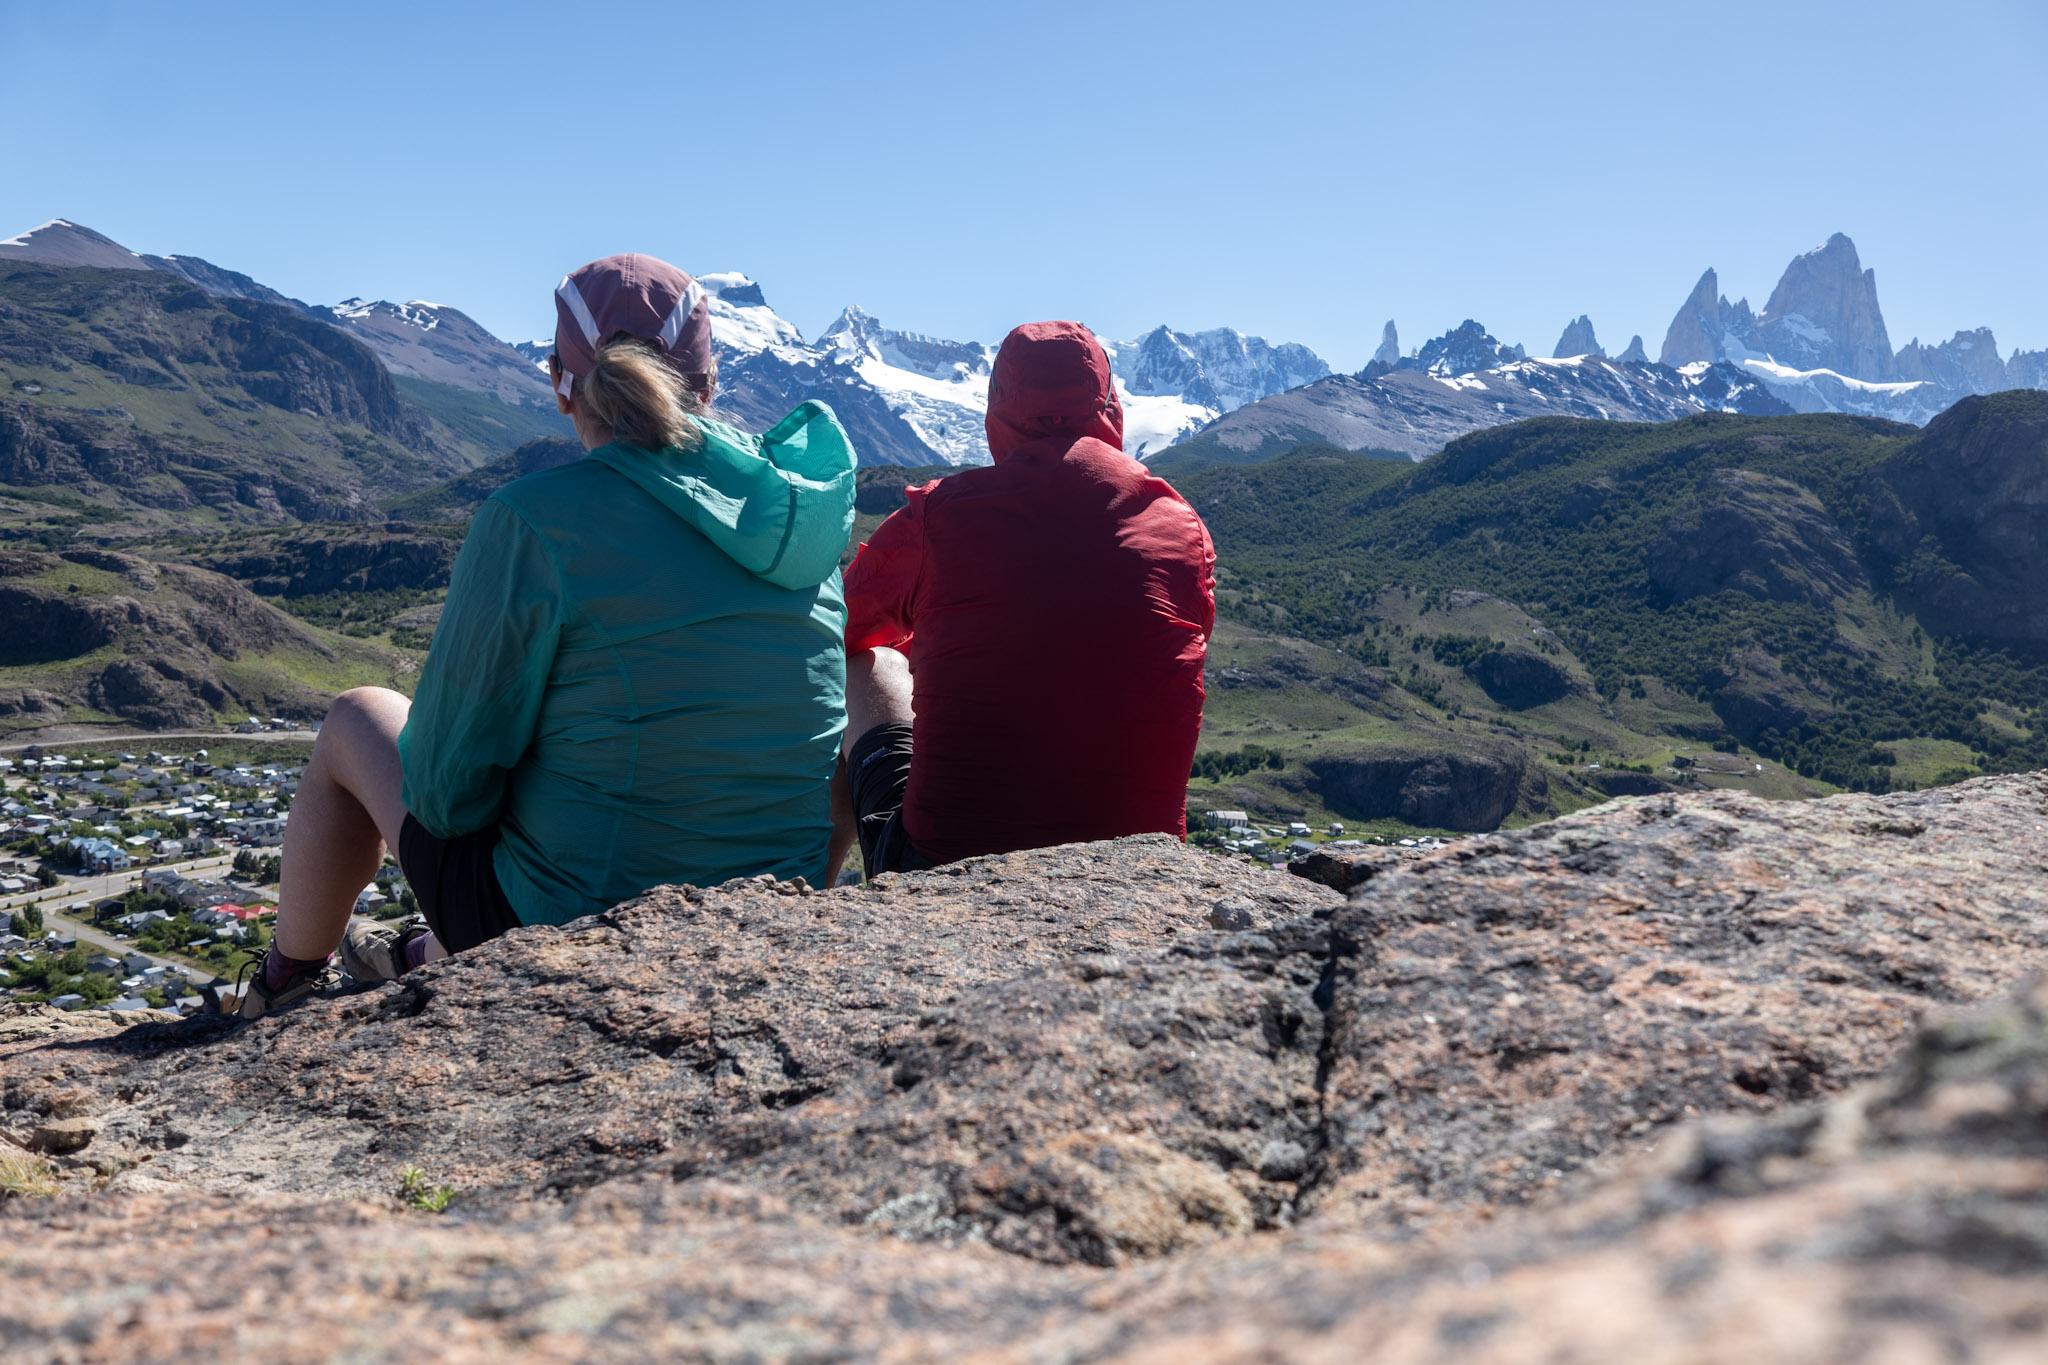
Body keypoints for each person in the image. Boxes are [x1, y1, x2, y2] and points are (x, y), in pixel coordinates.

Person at [219, 253, 857, 1018]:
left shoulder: (533, 521)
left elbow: (445, 796)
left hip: (582, 929)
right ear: (710, 385)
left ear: (561, 386)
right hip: (772, 914)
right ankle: (421, 952)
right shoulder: (806, 520)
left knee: (358, 716)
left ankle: (284, 986)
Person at [836, 319, 1215, 876]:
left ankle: (805, 900)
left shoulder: (939, 516)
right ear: (1110, 406)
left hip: (943, 864)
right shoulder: (1181, 525)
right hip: (1139, 873)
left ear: (997, 410)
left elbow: (836, 627)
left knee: (866, 667)